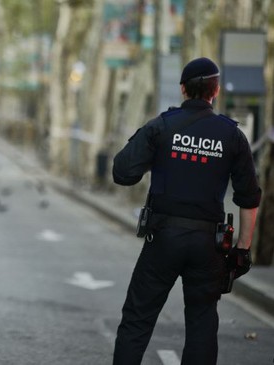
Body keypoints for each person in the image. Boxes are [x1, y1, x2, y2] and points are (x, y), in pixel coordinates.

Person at [111, 57, 261, 364]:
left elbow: (123, 173)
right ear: (215, 91)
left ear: (182, 89)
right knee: (202, 323)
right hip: (209, 244)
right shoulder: (232, 135)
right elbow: (249, 197)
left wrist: (150, 141)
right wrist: (242, 249)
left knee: (138, 319)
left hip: (163, 238)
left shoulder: (162, 127)